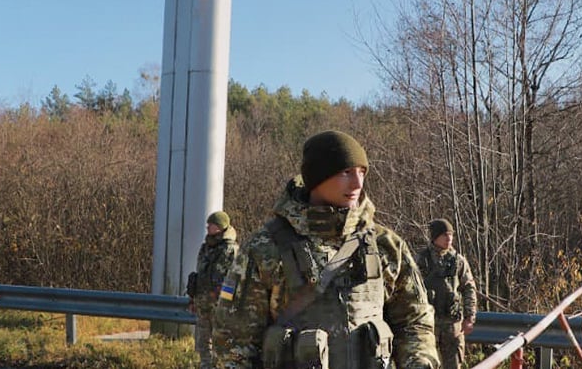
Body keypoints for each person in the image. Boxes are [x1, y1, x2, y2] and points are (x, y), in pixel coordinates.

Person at [212, 130, 440, 369]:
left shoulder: (386, 245)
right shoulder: (266, 247)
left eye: (362, 172)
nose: (358, 183)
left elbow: (415, 322)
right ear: (317, 178)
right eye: (346, 172)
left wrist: (419, 362)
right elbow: (233, 342)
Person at [415, 219, 477, 369]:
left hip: (452, 325)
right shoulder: (421, 260)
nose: (449, 238)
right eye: (444, 235)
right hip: (429, 324)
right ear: (435, 237)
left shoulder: (458, 261)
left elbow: (469, 288)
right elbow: (411, 290)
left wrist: (470, 317)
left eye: (451, 235)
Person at [187, 211, 239, 369]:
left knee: (221, 345)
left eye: (211, 224)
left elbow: (233, 279)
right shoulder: (206, 248)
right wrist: (193, 298)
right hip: (203, 304)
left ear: (220, 227)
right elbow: (200, 274)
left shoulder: (230, 249)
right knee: (203, 344)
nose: (208, 227)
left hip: (220, 306)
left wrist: (226, 303)